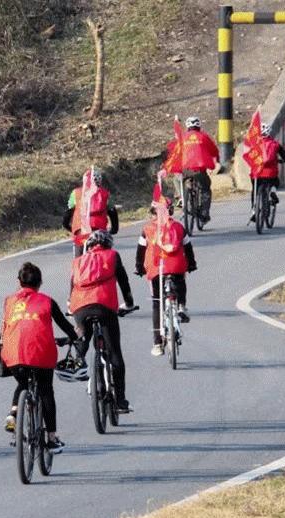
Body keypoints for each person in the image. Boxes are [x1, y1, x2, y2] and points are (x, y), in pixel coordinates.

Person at [0, 263, 80, 452]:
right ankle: (51, 438)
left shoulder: (9, 301)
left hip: (13, 354)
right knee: (46, 392)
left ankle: (14, 412)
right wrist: (74, 337)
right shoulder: (47, 301)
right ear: (40, 282)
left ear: (19, 282)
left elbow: (5, 327)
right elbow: (65, 325)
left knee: (23, 383)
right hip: (41, 353)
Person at [70, 230, 136, 412]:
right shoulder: (113, 256)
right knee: (115, 353)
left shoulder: (77, 262)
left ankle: (78, 364)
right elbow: (124, 282)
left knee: (83, 334)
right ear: (108, 245)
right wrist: (129, 303)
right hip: (105, 307)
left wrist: (71, 308)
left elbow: (72, 288)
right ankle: (121, 401)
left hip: (80, 308)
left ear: (88, 247)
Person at [136, 198, 195, 356]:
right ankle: (181, 306)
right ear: (170, 211)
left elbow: (140, 251)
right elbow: (188, 248)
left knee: (157, 303)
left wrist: (139, 267)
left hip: (156, 269)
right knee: (181, 279)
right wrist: (192, 264)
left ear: (153, 211)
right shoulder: (178, 227)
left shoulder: (147, 229)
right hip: (176, 266)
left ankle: (157, 343)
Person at [171, 117, 219, 224]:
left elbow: (176, 152)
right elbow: (213, 150)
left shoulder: (182, 137)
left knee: (176, 179)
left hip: (185, 170)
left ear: (187, 127)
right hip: (199, 170)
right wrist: (217, 159)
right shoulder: (203, 136)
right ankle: (204, 214)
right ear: (199, 126)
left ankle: (181, 197)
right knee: (206, 190)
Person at [62, 169, 119, 257]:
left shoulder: (75, 193)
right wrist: (114, 229)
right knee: (105, 255)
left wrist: (67, 226)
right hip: (99, 231)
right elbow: (112, 212)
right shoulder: (105, 194)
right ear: (99, 181)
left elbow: (68, 212)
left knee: (78, 260)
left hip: (81, 230)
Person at [249, 123, 285, 218]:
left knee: (254, 191)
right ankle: (272, 191)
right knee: (275, 182)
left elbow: (249, 157)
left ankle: (253, 209)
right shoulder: (274, 144)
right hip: (270, 174)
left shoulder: (253, 144)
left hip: (256, 173)